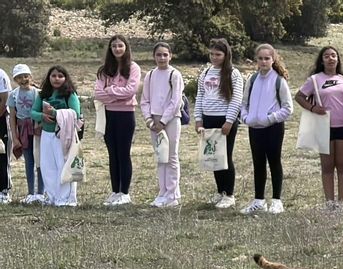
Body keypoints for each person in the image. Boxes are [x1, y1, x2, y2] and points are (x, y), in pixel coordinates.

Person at [295, 46, 343, 208]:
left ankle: (342, 202)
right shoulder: (315, 79)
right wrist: (313, 108)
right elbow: (299, 97)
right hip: (324, 127)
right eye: (327, 56)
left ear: (338, 59)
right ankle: (329, 202)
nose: (330, 58)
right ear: (322, 60)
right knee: (327, 167)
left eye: (333, 55)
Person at [240, 44, 293, 215]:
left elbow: (287, 108)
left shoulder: (279, 81)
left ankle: (276, 201)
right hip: (255, 128)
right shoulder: (252, 79)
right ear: (256, 60)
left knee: (274, 162)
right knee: (258, 163)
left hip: (273, 129)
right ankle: (258, 200)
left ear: (273, 59)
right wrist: (246, 117)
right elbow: (244, 103)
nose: (263, 62)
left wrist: (270, 118)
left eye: (267, 58)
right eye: (260, 58)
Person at [193, 38, 244, 209]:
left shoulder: (233, 74)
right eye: (212, 54)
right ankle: (220, 191)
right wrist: (198, 119)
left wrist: (229, 121)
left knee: (225, 156)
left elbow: (236, 99)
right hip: (208, 118)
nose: (215, 57)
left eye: (218, 54)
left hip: (224, 119)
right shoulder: (206, 73)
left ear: (226, 55)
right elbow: (200, 96)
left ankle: (229, 194)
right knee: (213, 156)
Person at [94, 35, 141, 207]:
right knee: (112, 154)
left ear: (126, 47)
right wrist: (114, 97)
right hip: (108, 115)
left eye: (120, 45)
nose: (117, 49)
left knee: (123, 153)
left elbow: (131, 91)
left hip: (126, 115)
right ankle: (115, 191)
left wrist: (111, 91)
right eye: (114, 46)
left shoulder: (133, 68)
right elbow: (97, 93)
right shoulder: (104, 69)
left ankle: (125, 192)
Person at [140, 42, 183, 208]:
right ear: (154, 56)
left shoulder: (175, 75)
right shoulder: (150, 75)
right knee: (161, 156)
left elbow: (175, 101)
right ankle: (163, 192)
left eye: (165, 55)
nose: (162, 58)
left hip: (171, 120)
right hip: (154, 120)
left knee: (171, 156)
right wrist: (150, 120)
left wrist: (163, 121)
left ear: (170, 56)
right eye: (159, 55)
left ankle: (172, 194)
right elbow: (145, 100)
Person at [33, 65, 82, 207]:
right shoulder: (43, 94)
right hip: (46, 135)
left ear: (65, 78)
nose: (56, 79)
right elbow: (33, 112)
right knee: (47, 166)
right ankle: (53, 196)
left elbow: (75, 113)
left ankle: (65, 198)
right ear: (49, 78)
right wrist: (42, 115)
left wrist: (55, 113)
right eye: (53, 76)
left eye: (60, 76)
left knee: (63, 165)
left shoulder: (70, 94)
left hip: (62, 135)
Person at [7, 64, 44, 204]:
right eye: (19, 77)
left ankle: (41, 192)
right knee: (29, 161)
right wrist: (15, 137)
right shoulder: (14, 95)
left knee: (40, 160)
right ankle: (30, 193)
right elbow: (12, 117)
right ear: (15, 80)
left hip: (37, 128)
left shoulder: (38, 93)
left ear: (30, 76)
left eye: (26, 76)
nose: (23, 79)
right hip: (23, 129)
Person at [0, 65, 9, 204]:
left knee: (1, 154)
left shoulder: (0, 74)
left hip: (0, 118)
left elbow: (3, 100)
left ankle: (3, 190)